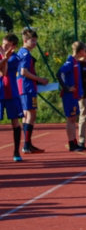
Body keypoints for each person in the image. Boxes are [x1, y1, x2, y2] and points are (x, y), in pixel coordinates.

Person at [17, 28, 48, 154]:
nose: (35, 43)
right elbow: (23, 72)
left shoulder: (21, 52)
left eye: (35, 41)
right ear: (25, 41)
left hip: (23, 86)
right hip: (27, 87)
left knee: (26, 115)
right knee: (31, 115)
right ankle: (27, 145)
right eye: (32, 40)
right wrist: (39, 79)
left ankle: (27, 143)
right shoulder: (25, 54)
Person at [58, 42, 86, 152]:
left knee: (74, 118)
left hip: (75, 95)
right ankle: (71, 143)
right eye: (84, 50)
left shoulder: (76, 62)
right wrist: (66, 87)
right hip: (69, 95)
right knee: (71, 119)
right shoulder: (70, 62)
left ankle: (74, 141)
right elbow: (59, 73)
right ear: (81, 51)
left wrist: (80, 91)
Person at [1, 33, 24, 162]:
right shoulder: (4, 56)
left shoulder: (15, 58)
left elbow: (4, 72)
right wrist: (4, 57)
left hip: (11, 93)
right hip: (0, 93)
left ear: (14, 46)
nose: (4, 47)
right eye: (3, 45)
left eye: (7, 46)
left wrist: (5, 58)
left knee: (15, 122)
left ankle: (16, 151)